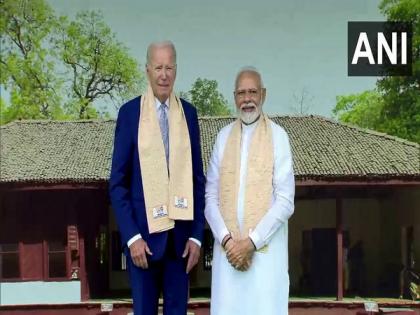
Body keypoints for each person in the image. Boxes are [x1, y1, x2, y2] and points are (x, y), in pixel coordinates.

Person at [109, 40, 205, 315]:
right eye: (158, 67)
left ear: (176, 70)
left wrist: (197, 237)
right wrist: (132, 238)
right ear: (147, 70)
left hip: (180, 244)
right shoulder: (130, 114)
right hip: (144, 245)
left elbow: (198, 180)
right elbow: (118, 184)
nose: (164, 74)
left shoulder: (189, 114)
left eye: (169, 67)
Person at [205, 67, 295, 315]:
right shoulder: (223, 138)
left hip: (265, 258)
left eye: (252, 92)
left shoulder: (279, 137)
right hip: (228, 256)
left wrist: (251, 243)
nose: (247, 99)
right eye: (242, 93)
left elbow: (286, 201)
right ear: (234, 97)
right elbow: (210, 197)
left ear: (263, 95)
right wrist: (228, 240)